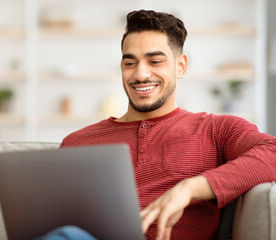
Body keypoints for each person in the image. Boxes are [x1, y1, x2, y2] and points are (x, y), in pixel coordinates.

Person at [45, 10, 276, 240]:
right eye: (130, 63)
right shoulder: (76, 143)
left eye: (155, 61)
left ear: (180, 66)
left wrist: (189, 189)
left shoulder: (216, 130)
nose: (140, 74)